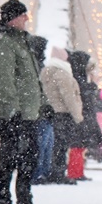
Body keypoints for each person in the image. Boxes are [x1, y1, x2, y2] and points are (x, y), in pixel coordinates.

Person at [0, 0, 47, 204]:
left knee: (29, 159)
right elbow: (4, 81)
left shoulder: (22, 42)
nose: (26, 19)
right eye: (23, 15)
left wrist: (43, 105)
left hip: (28, 113)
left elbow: (32, 80)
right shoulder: (3, 44)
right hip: (11, 114)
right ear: (12, 18)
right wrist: (12, 110)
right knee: (8, 161)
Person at [40, 45, 83, 184]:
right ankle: (58, 173)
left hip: (52, 112)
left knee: (54, 145)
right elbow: (69, 97)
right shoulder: (61, 73)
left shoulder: (47, 72)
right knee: (61, 145)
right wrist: (77, 115)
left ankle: (51, 171)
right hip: (63, 114)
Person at [68, 51, 102, 180]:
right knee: (77, 145)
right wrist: (93, 85)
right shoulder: (78, 78)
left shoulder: (79, 76)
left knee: (80, 146)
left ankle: (78, 172)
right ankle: (75, 173)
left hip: (83, 115)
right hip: (81, 116)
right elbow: (85, 97)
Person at [27, 35, 55, 185]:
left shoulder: (38, 63)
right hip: (39, 111)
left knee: (44, 145)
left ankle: (40, 173)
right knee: (40, 145)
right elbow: (38, 89)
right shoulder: (35, 64)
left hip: (42, 111)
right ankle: (37, 173)